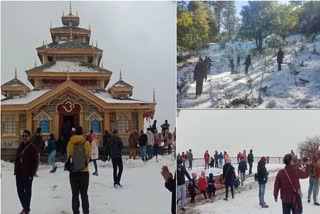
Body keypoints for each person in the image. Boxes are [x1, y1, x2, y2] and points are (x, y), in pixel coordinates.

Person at [67, 126, 91, 214]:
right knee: (84, 194)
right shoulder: (86, 143)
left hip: (73, 172)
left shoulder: (70, 143)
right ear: (82, 133)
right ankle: (86, 212)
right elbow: (88, 156)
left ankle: (76, 212)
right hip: (84, 172)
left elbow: (69, 155)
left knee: (75, 195)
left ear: (74, 133)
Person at [15, 130, 39, 214]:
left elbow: (35, 162)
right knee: (19, 191)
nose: (24, 137)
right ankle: (26, 208)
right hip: (19, 173)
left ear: (29, 137)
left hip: (28, 174)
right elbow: (17, 159)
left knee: (27, 192)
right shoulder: (20, 146)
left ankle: (26, 210)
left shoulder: (32, 148)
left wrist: (32, 173)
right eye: (23, 136)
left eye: (26, 136)